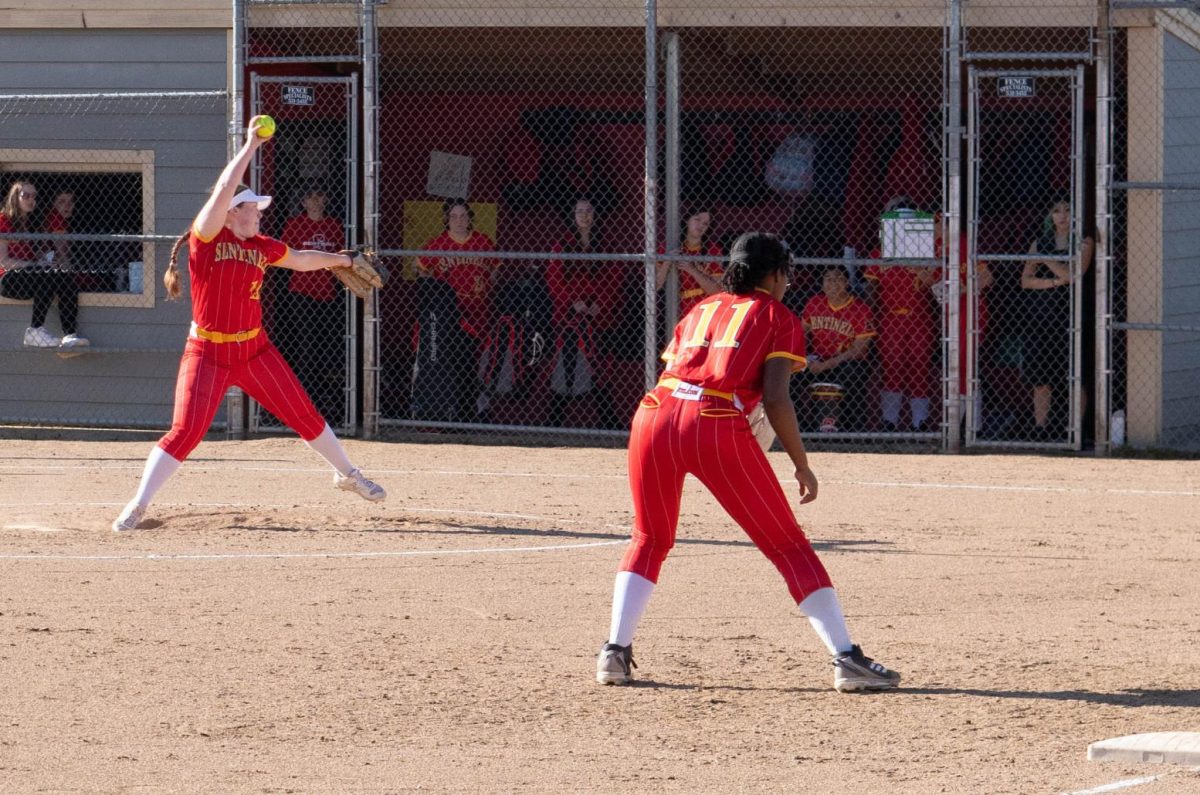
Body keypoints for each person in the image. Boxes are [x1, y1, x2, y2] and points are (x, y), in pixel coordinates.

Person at [595, 232, 900, 693]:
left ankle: (615, 652)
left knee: (650, 537)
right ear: (775, 275)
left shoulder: (702, 308)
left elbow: (685, 371)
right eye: (786, 275)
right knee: (789, 546)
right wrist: (801, 463)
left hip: (653, 414)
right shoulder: (778, 315)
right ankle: (846, 657)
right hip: (713, 420)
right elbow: (776, 399)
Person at [111, 116, 385, 533]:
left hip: (254, 350)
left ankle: (348, 474)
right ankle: (139, 504)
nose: (258, 213)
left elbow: (302, 258)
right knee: (185, 432)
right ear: (231, 213)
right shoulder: (207, 238)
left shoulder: (261, 245)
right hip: (207, 353)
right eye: (252, 207)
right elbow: (224, 189)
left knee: (304, 415)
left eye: (258, 208)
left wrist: (343, 260)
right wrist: (251, 144)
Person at [417, 198, 498, 420]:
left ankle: (476, 412)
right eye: (454, 216)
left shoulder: (482, 242)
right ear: (447, 219)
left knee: (477, 365)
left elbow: (495, 272)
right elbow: (422, 271)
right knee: (454, 364)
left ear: (470, 218)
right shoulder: (438, 244)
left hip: (479, 313)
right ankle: (456, 413)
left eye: (463, 216)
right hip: (451, 316)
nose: (459, 221)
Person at [1020, 198, 1094, 439]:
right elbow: (1026, 280)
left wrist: (1048, 260)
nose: (1062, 216)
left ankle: (1075, 429)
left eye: (1068, 210)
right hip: (1041, 316)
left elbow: (1073, 274)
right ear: (1049, 216)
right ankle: (1040, 428)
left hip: (1071, 316)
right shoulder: (1039, 242)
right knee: (1040, 377)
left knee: (1075, 375)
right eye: (1056, 211)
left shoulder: (1084, 242)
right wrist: (1052, 282)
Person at [864, 197, 938, 432]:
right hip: (890, 318)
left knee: (920, 365)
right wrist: (871, 319)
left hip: (920, 317)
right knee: (892, 366)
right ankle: (890, 420)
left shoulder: (926, 253)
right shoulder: (878, 254)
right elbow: (871, 290)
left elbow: (933, 286)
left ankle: (920, 421)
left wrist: (920, 266)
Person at [276, 187, 346, 421]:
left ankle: (324, 399)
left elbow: (340, 260)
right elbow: (285, 257)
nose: (315, 200)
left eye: (319, 195)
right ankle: (306, 399)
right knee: (308, 345)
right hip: (302, 293)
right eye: (310, 196)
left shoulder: (334, 226)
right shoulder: (295, 225)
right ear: (303, 202)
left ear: (326, 199)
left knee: (326, 347)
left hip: (326, 294)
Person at [545, 197, 615, 427]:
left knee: (599, 368)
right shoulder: (561, 245)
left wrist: (601, 303)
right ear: (572, 216)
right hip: (569, 317)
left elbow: (614, 278)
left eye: (589, 211)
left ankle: (608, 423)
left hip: (596, 318)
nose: (584, 216)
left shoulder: (605, 244)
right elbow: (554, 280)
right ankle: (554, 422)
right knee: (565, 365)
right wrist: (571, 301)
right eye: (579, 211)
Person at [0, 181, 89, 349]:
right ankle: (35, 330)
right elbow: (4, 261)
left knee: (63, 275)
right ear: (15, 198)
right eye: (26, 195)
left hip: (30, 275)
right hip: (8, 278)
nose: (31, 199)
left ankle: (69, 334)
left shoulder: (31, 223)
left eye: (34, 196)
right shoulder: (3, 220)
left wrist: (43, 259)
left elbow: (36, 254)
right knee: (47, 273)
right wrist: (35, 265)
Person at [799, 264, 876, 432]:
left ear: (848, 283)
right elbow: (801, 334)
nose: (833, 283)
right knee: (790, 372)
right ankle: (800, 426)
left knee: (853, 372)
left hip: (845, 361)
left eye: (839, 279)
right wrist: (803, 357)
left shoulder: (861, 309)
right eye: (828, 279)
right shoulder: (814, 303)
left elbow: (859, 350)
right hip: (817, 358)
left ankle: (854, 430)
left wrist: (826, 365)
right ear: (822, 284)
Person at [655, 207, 724, 319]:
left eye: (705, 224)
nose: (701, 225)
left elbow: (716, 291)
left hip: (707, 307)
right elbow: (655, 286)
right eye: (697, 219)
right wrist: (668, 260)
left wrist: (692, 270)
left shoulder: (713, 250)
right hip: (676, 307)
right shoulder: (670, 247)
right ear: (687, 220)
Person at [44, 191, 75, 269]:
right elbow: (61, 250)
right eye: (62, 202)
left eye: (71, 201)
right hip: (50, 260)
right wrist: (69, 268)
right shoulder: (56, 218)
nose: (68, 205)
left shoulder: (62, 219)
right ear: (53, 204)